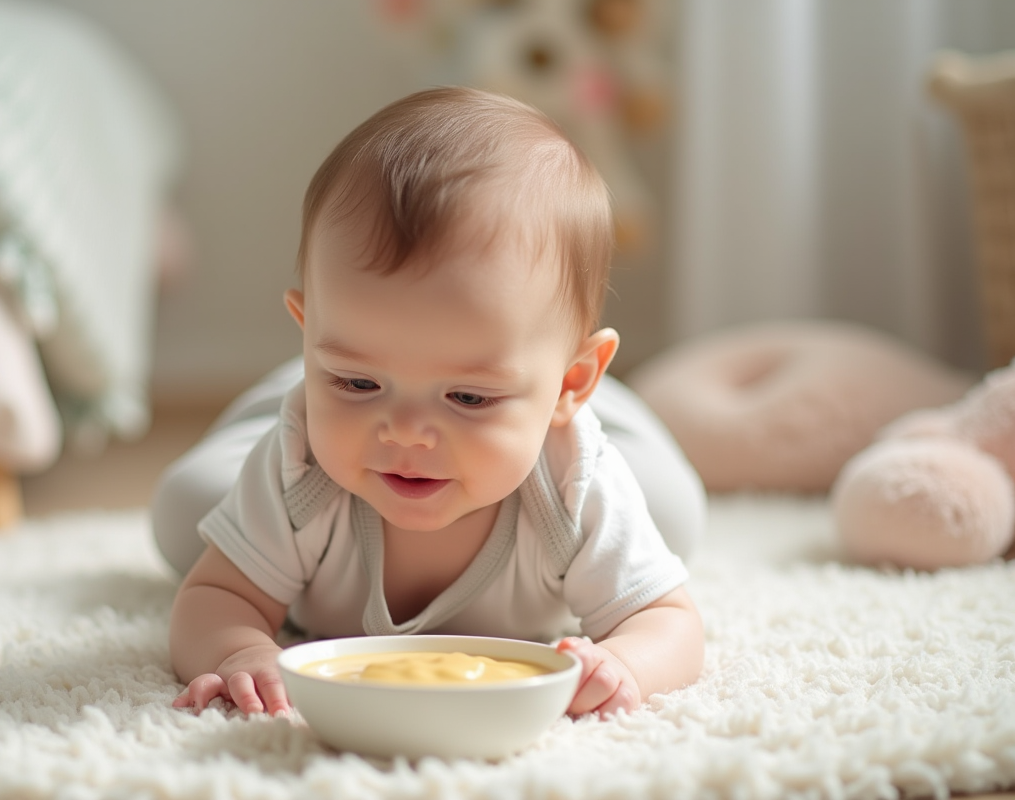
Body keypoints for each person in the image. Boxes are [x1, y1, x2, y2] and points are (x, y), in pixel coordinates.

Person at [158, 87, 706, 720]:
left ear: (570, 385)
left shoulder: (574, 481)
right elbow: (214, 598)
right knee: (185, 510)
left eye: (468, 395)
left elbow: (670, 622)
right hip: (325, 404)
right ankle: (330, 378)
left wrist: (625, 664)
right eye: (358, 382)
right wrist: (237, 651)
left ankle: (531, 387)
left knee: (673, 512)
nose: (408, 433)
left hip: (568, 424)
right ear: (308, 335)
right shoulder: (301, 466)